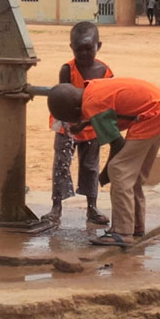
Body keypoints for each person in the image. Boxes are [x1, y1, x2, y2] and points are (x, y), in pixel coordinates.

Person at [47, 77, 160, 247]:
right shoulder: (91, 90)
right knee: (134, 174)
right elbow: (112, 107)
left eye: (71, 117)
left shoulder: (92, 104)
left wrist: (105, 174)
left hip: (151, 115)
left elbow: (117, 144)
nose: (73, 121)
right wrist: (86, 122)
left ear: (76, 108)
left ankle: (122, 232)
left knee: (119, 169)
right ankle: (136, 226)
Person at [44, 21, 113, 226]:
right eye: (78, 49)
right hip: (68, 125)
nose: (83, 54)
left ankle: (92, 208)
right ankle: (56, 207)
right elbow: (61, 100)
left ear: (98, 46)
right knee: (61, 165)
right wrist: (69, 125)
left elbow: (107, 102)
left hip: (92, 126)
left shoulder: (105, 72)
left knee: (91, 167)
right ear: (71, 47)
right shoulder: (67, 70)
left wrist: (103, 129)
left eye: (88, 48)